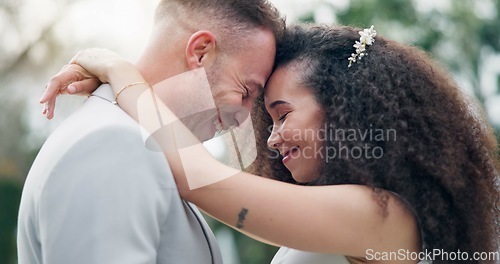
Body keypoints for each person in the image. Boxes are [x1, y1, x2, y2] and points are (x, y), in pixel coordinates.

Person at [41, 24, 500, 263]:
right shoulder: (361, 213)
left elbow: (201, 178)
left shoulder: (383, 217)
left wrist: (120, 71)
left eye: (282, 114)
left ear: (344, 110)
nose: (273, 137)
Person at [18, 0, 284, 263]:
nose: (241, 120)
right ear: (201, 52)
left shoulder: (148, 149)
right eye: (246, 91)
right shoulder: (114, 145)